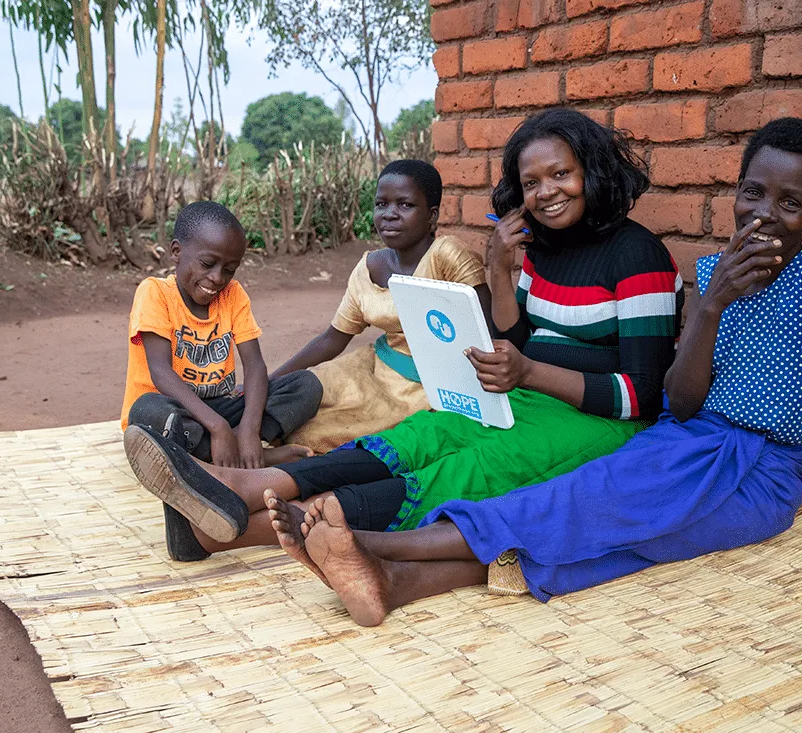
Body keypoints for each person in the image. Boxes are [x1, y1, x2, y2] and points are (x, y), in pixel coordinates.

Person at [252, 117, 802, 627]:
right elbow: (682, 397)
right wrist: (712, 305)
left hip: (755, 471)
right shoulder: (711, 270)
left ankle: (359, 538)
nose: (764, 214)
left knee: (574, 507)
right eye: (751, 192)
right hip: (683, 440)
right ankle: (388, 580)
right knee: (594, 542)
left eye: (790, 203)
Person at [123, 108, 685, 560]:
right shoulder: (541, 251)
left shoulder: (639, 257)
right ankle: (253, 485)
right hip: (528, 397)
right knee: (421, 436)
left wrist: (529, 372)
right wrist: (500, 273)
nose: (545, 193)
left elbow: (640, 395)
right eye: (530, 182)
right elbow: (523, 339)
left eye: (561, 174)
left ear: (593, 170)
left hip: (599, 423)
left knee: (465, 470)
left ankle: (240, 529)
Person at [120, 201, 322, 558]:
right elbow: (161, 372)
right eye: (208, 264)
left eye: (229, 269)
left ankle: (231, 457)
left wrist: (246, 426)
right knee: (147, 411)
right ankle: (263, 458)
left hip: (221, 411)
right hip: (174, 415)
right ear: (177, 253)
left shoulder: (233, 295)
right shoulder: (154, 293)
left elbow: (256, 367)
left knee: (304, 385)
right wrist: (218, 427)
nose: (217, 278)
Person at [272, 159, 490, 455]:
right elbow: (333, 338)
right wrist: (269, 380)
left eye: (405, 205)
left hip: (421, 387)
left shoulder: (446, 256)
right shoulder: (369, 266)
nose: (389, 215)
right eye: (381, 204)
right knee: (305, 389)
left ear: (432, 216)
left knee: (329, 434)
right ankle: (234, 440)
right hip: (373, 366)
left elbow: (487, 330)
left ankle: (271, 460)